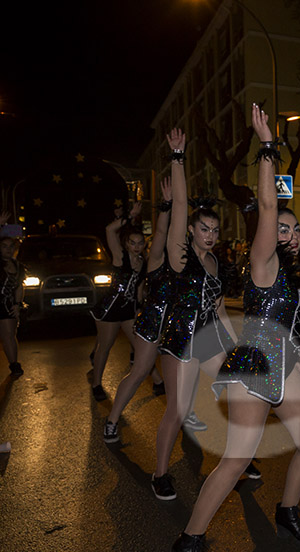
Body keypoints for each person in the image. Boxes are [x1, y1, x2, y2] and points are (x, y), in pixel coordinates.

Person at [168, 105, 300, 552]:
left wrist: (282, 174)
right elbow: (271, 206)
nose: (290, 236)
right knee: (236, 460)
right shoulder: (262, 259)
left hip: (288, 367)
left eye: (296, 230)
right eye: (283, 229)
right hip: (256, 368)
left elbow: (283, 199)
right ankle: (189, 540)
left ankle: (288, 510)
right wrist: (267, 148)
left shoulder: (293, 268)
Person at [151, 128, 237, 502]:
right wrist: (179, 156)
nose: (211, 234)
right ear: (190, 230)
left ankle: (238, 457)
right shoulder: (180, 256)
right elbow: (182, 207)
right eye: (204, 228)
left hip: (208, 338)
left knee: (242, 389)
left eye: (216, 230)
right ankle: (159, 474)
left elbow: (218, 308)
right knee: (179, 408)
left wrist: (237, 345)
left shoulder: (216, 262)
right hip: (180, 340)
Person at [103, 176, 175, 444]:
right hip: (150, 318)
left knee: (185, 374)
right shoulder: (152, 257)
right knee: (140, 371)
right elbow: (161, 233)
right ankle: (111, 420)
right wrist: (164, 208)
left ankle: (186, 416)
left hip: (177, 322)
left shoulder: (187, 256)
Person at [89, 202, 147, 401]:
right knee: (105, 346)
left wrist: (139, 309)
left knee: (140, 346)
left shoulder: (143, 262)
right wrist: (130, 217)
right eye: (133, 243)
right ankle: (96, 383)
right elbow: (109, 229)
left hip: (128, 310)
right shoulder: (119, 256)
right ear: (126, 244)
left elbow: (139, 289)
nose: (136, 247)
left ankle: (158, 382)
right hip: (109, 308)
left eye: (140, 243)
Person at [0, 229, 25, 377]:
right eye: (4, 246)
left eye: (11, 246)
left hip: (7, 304)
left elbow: (19, 287)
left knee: (9, 334)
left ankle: (14, 364)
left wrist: (17, 304)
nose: (8, 249)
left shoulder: (18, 266)